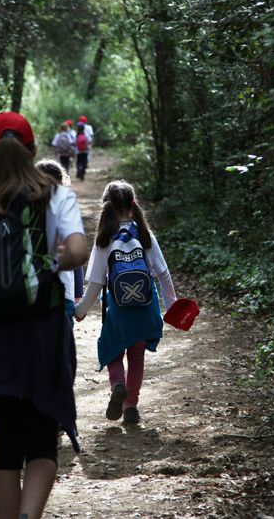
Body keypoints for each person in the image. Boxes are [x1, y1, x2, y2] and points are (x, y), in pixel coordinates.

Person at [0, 112, 88, 519]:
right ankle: (29, 515)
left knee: (7, 439)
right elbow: (78, 252)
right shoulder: (56, 195)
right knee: (43, 437)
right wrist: (52, 262)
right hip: (42, 330)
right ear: (33, 150)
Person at [74, 180, 177, 424]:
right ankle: (131, 405)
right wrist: (172, 305)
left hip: (118, 309)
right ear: (133, 206)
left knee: (112, 349)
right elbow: (163, 273)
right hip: (145, 307)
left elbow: (97, 282)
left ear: (106, 207)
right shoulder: (144, 234)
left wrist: (81, 310)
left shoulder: (105, 239)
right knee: (137, 354)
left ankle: (117, 384)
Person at [35, 158, 85, 324]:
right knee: (61, 347)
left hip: (31, 294)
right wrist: (78, 294)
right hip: (64, 294)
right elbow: (76, 256)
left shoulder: (24, 213)